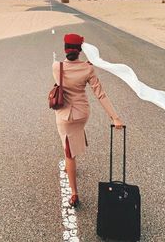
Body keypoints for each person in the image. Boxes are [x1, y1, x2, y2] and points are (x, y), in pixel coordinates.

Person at [52, 33, 123, 207]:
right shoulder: (88, 68)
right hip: (82, 114)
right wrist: (115, 117)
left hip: (65, 116)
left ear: (65, 48)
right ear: (80, 50)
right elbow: (100, 94)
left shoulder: (56, 66)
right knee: (72, 139)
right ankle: (71, 156)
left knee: (68, 151)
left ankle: (74, 194)